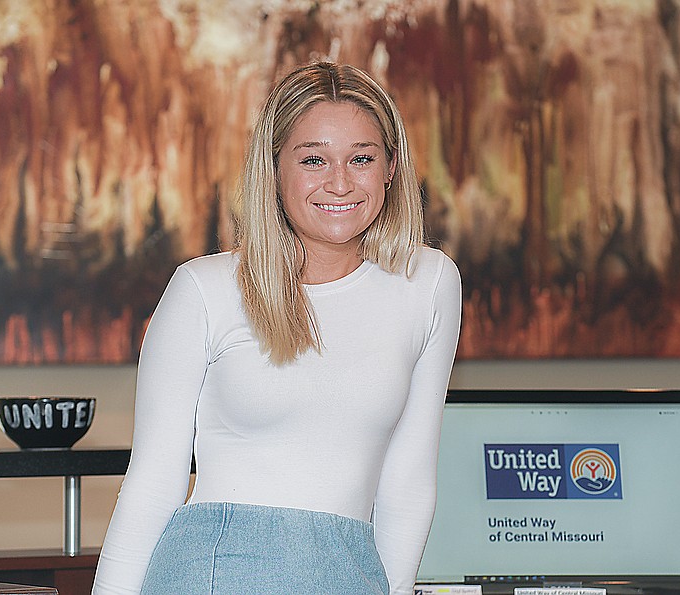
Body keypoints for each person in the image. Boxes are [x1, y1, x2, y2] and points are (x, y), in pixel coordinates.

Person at [92, 61, 462, 595]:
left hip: (351, 573)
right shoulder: (204, 289)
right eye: (313, 159)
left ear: (392, 167)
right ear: (273, 169)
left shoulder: (428, 283)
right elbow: (152, 482)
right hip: (213, 572)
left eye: (362, 158)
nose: (340, 182)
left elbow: (408, 482)